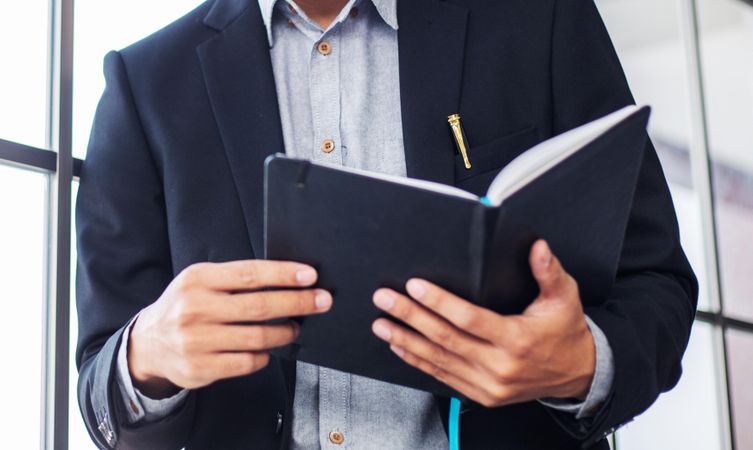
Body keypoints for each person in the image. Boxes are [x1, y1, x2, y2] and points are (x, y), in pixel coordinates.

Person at [74, 0, 699, 448]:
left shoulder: (542, 19)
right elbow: (101, 384)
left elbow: (657, 281)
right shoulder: (146, 82)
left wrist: (584, 365)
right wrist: (147, 352)